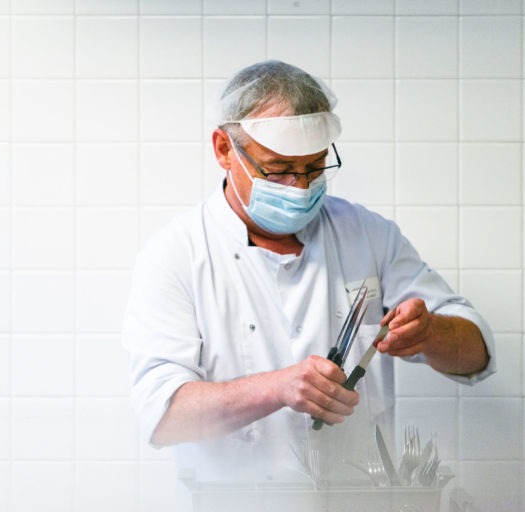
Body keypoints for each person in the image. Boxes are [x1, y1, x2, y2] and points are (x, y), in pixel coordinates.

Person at [122, 60, 496, 485]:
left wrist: (430, 333)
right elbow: (162, 416)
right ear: (225, 150)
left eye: (314, 168)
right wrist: (277, 388)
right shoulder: (176, 255)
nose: (300, 187)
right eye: (279, 170)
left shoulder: (369, 236)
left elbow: (477, 354)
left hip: (358, 499)